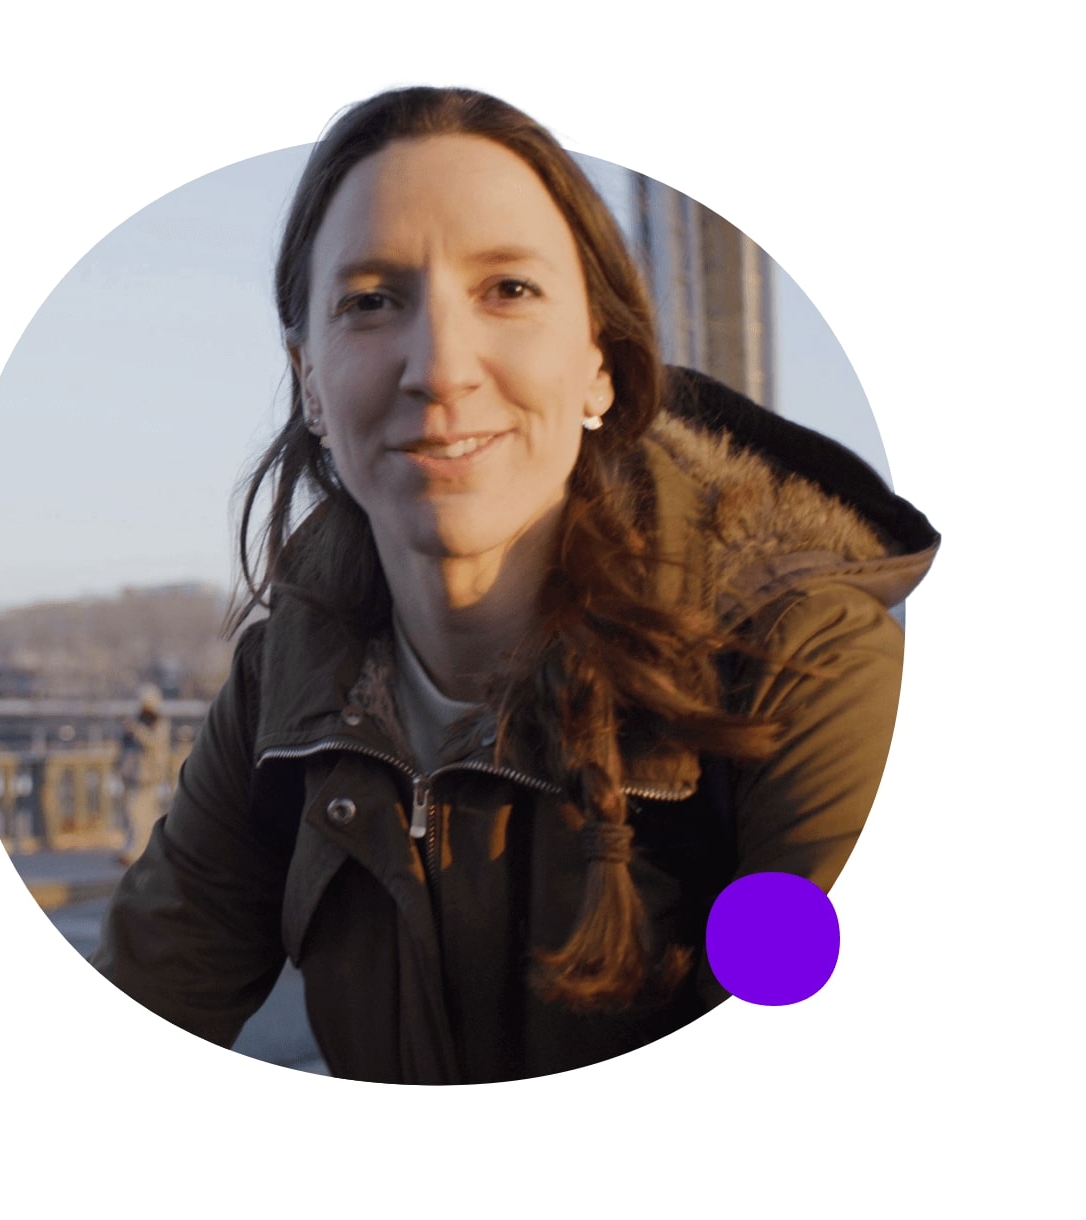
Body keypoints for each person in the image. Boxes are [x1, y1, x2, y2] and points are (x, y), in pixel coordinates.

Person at [90, 86, 939, 1084]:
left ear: (601, 365)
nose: (442, 367)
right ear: (309, 381)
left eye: (509, 290)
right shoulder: (292, 689)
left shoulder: (789, 667)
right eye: (371, 300)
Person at [116, 683, 171, 866]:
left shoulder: (159, 723)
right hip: (134, 775)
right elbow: (128, 749)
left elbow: (154, 743)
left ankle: (139, 850)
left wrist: (136, 730)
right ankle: (136, 848)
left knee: (141, 814)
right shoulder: (139, 720)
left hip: (149, 776)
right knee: (133, 813)